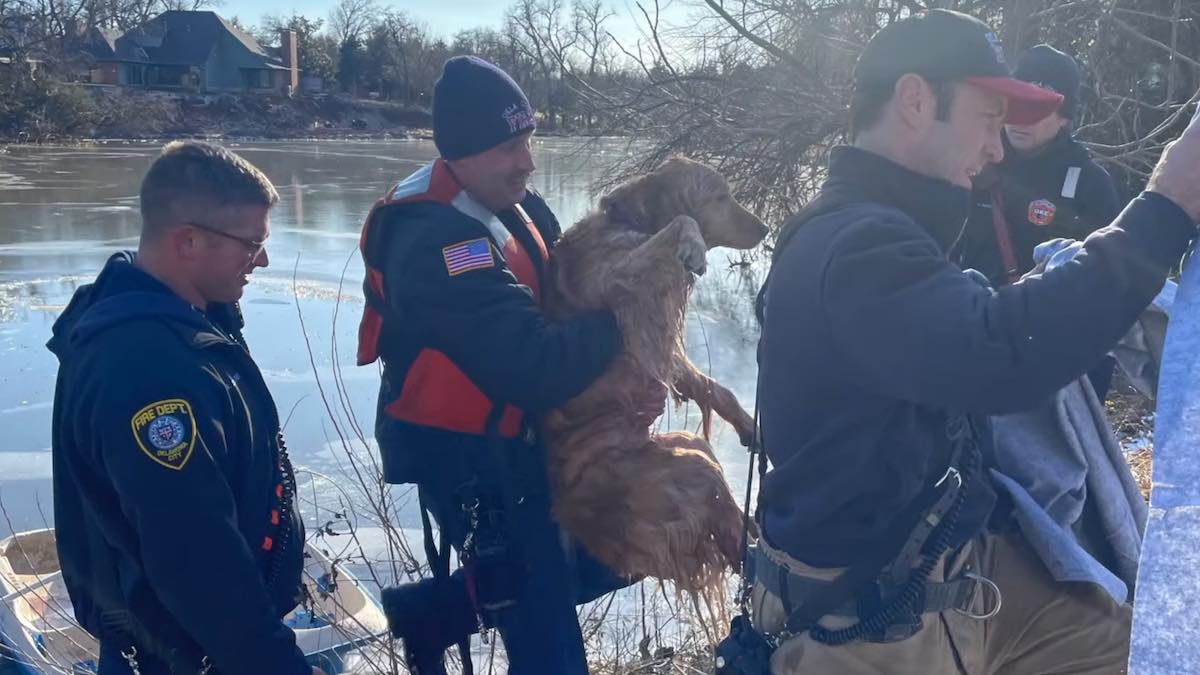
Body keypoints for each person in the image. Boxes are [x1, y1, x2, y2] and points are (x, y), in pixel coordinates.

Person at [744, 9, 1200, 674]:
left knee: (1151, 649)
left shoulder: (876, 228)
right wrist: (1165, 206)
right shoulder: (858, 248)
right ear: (916, 99)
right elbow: (996, 349)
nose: (996, 148)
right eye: (988, 119)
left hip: (955, 567)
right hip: (868, 624)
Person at [355, 56, 635, 674]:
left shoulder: (516, 203)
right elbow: (533, 366)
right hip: (470, 459)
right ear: (461, 151)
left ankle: (434, 611)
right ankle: (480, 601)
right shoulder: (435, 242)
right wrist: (629, 322)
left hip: (524, 432)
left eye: (529, 140)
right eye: (511, 145)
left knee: (624, 545)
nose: (529, 161)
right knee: (550, 641)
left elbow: (569, 293)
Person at [47, 141, 320, 675]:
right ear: (188, 241)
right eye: (251, 244)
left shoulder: (188, 321)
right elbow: (194, 554)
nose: (261, 259)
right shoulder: (148, 372)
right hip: (184, 654)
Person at [956, 44, 1124, 399]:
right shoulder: (969, 161)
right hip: (973, 341)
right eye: (1017, 105)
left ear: (1064, 114)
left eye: (1038, 107)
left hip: (1051, 357)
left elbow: (1109, 287)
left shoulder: (1091, 184)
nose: (1020, 119)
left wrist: (1088, 386)